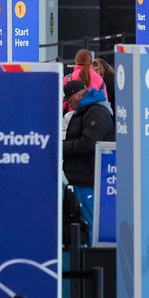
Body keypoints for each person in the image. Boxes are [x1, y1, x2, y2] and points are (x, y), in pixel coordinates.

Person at [62, 79, 115, 228]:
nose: (69, 106)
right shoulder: (88, 111)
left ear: (79, 96)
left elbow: (88, 143)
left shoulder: (95, 112)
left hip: (90, 177)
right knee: (90, 220)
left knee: (92, 223)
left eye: (70, 101)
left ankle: (94, 250)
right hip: (86, 176)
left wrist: (62, 148)